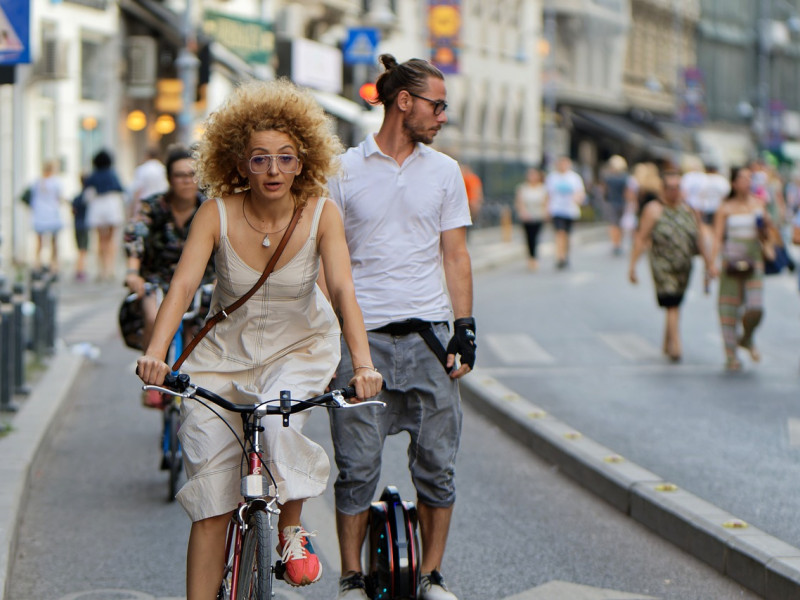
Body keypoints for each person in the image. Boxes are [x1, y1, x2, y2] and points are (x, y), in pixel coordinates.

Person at [135, 79, 382, 599]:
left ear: (303, 161)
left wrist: (362, 364)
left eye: (286, 158)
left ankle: (290, 528)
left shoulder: (321, 214)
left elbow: (341, 289)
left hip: (300, 349)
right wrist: (155, 354)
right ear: (238, 163)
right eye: (260, 159)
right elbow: (181, 287)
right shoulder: (216, 212)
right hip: (224, 355)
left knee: (276, 418)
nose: (273, 171)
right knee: (212, 500)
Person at [327, 54, 475, 600]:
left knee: (438, 466)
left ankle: (432, 576)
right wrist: (332, 335)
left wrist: (465, 328)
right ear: (403, 102)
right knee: (357, 468)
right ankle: (350, 578)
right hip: (362, 344)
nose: (442, 116)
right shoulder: (342, 170)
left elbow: (455, 255)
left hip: (429, 340)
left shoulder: (444, 171)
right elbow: (329, 264)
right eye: (436, 105)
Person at [123, 146, 214, 408]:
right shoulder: (152, 207)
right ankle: (152, 374)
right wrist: (132, 271)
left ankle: (190, 385)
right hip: (158, 278)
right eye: (179, 175)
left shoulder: (209, 207)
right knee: (153, 313)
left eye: (192, 174)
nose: (187, 180)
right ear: (169, 179)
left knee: (198, 330)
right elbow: (135, 236)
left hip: (201, 280)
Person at [629, 170, 713, 361]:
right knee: (671, 301)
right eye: (671, 188)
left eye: (678, 188)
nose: (675, 192)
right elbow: (641, 238)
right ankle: (676, 344)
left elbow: (699, 238)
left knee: (675, 302)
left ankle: (667, 340)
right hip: (662, 264)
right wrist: (632, 266)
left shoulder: (689, 209)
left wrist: (709, 264)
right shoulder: (654, 209)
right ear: (663, 189)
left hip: (684, 264)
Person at [710, 166, 770, 372]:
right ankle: (730, 355)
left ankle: (746, 338)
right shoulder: (725, 207)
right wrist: (712, 263)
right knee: (728, 308)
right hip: (731, 261)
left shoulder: (759, 204)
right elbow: (717, 238)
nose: (747, 181)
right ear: (734, 183)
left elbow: (766, 236)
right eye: (743, 178)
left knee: (756, 307)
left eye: (749, 178)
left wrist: (765, 228)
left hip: (754, 260)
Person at [83, 149, 126, 282]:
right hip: (112, 205)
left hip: (98, 207)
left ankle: (101, 269)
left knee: (100, 240)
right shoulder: (112, 174)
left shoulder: (93, 175)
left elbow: (87, 191)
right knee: (112, 239)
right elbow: (121, 189)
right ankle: (110, 268)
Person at [544, 155, 586, 269]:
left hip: (570, 210)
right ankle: (560, 257)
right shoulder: (552, 177)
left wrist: (577, 199)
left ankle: (565, 255)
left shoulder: (574, 178)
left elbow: (580, 193)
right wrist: (546, 210)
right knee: (559, 233)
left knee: (567, 235)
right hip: (557, 209)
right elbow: (548, 195)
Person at [28, 160, 64, 274]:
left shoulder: (37, 182)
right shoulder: (55, 183)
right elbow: (59, 198)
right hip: (52, 213)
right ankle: (53, 264)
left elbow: (33, 199)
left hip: (40, 214)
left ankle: (37, 263)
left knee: (39, 241)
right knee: (54, 241)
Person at [514, 166, 548, 271]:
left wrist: (546, 213)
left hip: (538, 216)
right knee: (529, 238)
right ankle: (530, 258)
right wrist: (523, 213)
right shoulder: (522, 188)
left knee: (536, 237)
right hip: (526, 217)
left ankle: (534, 257)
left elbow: (546, 202)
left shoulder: (542, 188)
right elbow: (519, 202)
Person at [601, 155, 635, 256]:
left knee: (613, 224)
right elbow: (628, 192)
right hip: (622, 202)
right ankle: (618, 243)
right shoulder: (625, 177)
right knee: (620, 224)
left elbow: (604, 190)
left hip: (611, 202)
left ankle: (615, 244)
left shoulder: (608, 177)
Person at [128, 147, 169, 218]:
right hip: (161, 203)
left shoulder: (142, 169)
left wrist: (133, 209)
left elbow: (137, 190)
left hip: (145, 204)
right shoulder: (163, 169)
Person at [72, 174, 90, 282]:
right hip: (84, 224)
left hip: (77, 224)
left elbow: (73, 211)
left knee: (80, 249)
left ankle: (79, 269)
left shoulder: (77, 197)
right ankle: (80, 270)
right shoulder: (87, 196)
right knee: (83, 250)